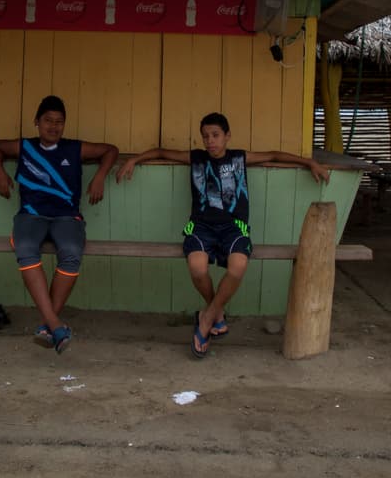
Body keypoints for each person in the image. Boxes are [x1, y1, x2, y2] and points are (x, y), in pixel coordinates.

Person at [115, 112, 329, 358]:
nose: (210, 141)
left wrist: (309, 162)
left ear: (227, 136)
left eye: (215, 135)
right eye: (205, 136)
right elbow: (161, 152)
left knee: (238, 266)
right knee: (197, 267)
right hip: (201, 225)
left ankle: (206, 319)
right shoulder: (195, 158)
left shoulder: (239, 158)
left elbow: (273, 155)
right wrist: (135, 160)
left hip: (234, 227)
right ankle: (215, 313)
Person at [0, 95, 118, 354]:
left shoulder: (74, 148)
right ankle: (55, 324)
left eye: (59, 122)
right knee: (25, 247)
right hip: (31, 215)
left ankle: (48, 325)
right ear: (37, 122)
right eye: (48, 120)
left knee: (71, 252)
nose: (54, 126)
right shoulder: (25, 146)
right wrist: (0, 173)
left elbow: (110, 150)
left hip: (66, 216)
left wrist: (100, 177)